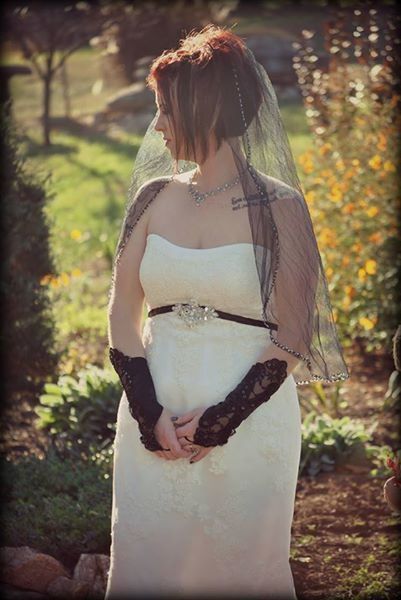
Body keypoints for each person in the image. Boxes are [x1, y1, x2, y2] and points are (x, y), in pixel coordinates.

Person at [104, 24, 349, 599]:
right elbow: (120, 312)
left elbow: (291, 335)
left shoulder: (283, 209)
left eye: (165, 110)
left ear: (202, 110)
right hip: (153, 417)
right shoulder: (152, 199)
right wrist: (148, 410)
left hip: (249, 422)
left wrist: (222, 420)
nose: (157, 125)